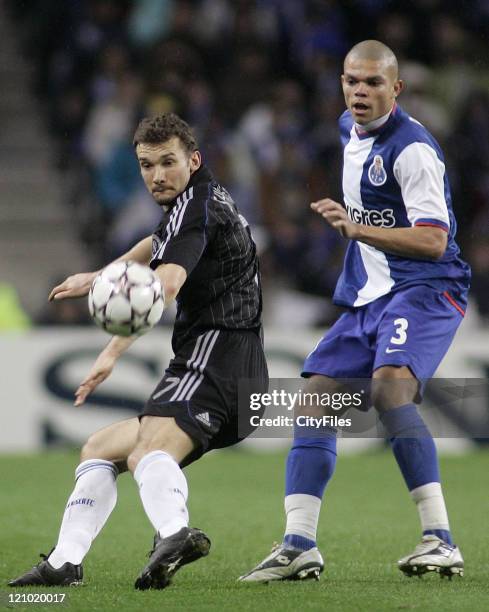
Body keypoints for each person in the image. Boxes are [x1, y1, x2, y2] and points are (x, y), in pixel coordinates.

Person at [240, 40, 470, 583]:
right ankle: (298, 544)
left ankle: (440, 538)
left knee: (390, 387)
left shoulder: (411, 149)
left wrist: (356, 227)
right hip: (371, 292)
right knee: (315, 399)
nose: (360, 92)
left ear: (397, 88)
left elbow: (435, 242)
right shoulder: (348, 127)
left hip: (427, 287)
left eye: (372, 83)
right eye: (351, 81)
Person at [9, 113, 268, 590]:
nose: (156, 175)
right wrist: (100, 273)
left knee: (147, 451)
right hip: (226, 362)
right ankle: (65, 562)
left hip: (218, 355)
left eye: (167, 163)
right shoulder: (196, 199)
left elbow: (163, 287)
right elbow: (158, 242)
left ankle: (175, 534)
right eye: (146, 165)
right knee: (100, 449)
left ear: (193, 159)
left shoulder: (196, 209)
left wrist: (111, 353)